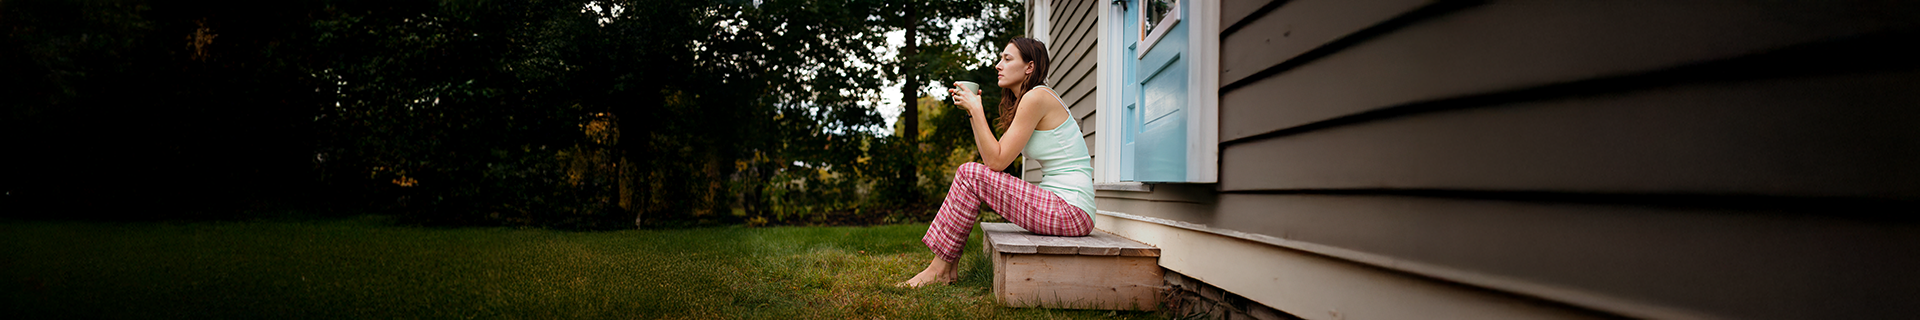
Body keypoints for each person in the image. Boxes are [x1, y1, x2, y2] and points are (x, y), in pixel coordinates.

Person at [900, 37, 1096, 288]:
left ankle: (939, 270)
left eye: (1007, 59)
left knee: (969, 174)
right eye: (1000, 59)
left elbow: (997, 162)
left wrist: (977, 109)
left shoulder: (1037, 97)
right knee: (970, 174)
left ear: (1029, 67)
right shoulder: (1027, 101)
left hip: (1070, 210)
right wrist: (973, 112)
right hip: (1061, 205)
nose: (998, 65)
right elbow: (992, 157)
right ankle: (946, 268)